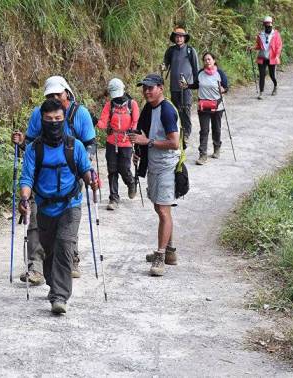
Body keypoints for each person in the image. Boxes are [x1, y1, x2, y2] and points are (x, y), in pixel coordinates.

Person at [12, 76, 96, 284]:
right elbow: (31, 144)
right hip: (41, 177)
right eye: (50, 95)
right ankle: (36, 267)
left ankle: (70, 257)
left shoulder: (80, 114)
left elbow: (91, 144)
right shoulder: (39, 114)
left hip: (72, 173)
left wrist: (86, 169)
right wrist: (22, 143)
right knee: (34, 220)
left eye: (58, 94)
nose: (54, 98)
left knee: (66, 221)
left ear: (67, 92)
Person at [128, 74, 180, 276]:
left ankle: (160, 257)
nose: (147, 91)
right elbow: (143, 133)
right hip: (154, 164)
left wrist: (146, 142)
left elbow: (174, 142)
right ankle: (170, 251)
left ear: (161, 88)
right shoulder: (149, 108)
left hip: (166, 165)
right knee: (160, 208)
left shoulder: (166, 110)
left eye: (151, 88)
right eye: (144, 88)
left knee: (163, 210)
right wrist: (139, 150)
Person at [95, 78, 140, 210]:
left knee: (124, 168)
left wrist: (133, 131)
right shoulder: (110, 105)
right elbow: (103, 122)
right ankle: (113, 198)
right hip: (111, 141)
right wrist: (96, 122)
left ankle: (131, 182)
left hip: (126, 141)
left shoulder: (132, 104)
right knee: (112, 170)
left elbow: (135, 121)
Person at [181, 52, 229, 164]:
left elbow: (226, 87)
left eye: (209, 59)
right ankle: (203, 155)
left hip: (217, 106)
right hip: (203, 106)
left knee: (216, 128)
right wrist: (187, 86)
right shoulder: (200, 73)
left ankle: (217, 148)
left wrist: (224, 89)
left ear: (214, 60)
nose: (207, 62)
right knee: (204, 130)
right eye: (205, 60)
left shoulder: (220, 73)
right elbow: (196, 85)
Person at [162, 26, 198, 141]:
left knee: (186, 109)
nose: (179, 39)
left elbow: (196, 68)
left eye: (181, 36)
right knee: (175, 110)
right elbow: (165, 64)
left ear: (184, 38)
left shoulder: (190, 50)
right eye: (177, 36)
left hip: (186, 86)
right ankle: (176, 131)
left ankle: (186, 133)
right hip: (174, 86)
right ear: (174, 38)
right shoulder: (171, 51)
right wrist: (163, 67)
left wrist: (196, 83)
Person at [252, 16, 283, 100]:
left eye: (269, 23)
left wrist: (277, 56)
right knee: (262, 75)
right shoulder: (260, 35)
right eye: (266, 24)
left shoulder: (276, 34)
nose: (268, 25)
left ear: (272, 24)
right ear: (264, 25)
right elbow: (259, 46)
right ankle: (261, 93)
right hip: (262, 57)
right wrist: (253, 48)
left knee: (272, 75)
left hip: (272, 57)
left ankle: (275, 86)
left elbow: (279, 46)